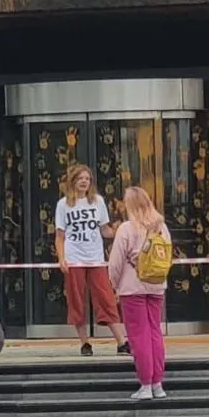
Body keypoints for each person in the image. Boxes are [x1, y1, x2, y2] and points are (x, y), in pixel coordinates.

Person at [55, 163, 128, 356]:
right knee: (76, 301)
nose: (84, 182)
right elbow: (60, 235)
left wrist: (120, 232)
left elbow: (104, 229)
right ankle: (84, 342)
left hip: (95, 258)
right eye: (80, 178)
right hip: (74, 259)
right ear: (73, 181)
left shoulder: (97, 201)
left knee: (106, 298)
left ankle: (121, 342)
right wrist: (62, 258)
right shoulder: (63, 205)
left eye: (87, 179)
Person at [108, 186, 170, 400]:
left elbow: (115, 262)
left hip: (132, 286)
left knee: (138, 335)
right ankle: (158, 384)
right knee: (155, 332)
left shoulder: (127, 228)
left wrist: (114, 284)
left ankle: (145, 384)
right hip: (156, 285)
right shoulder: (162, 227)